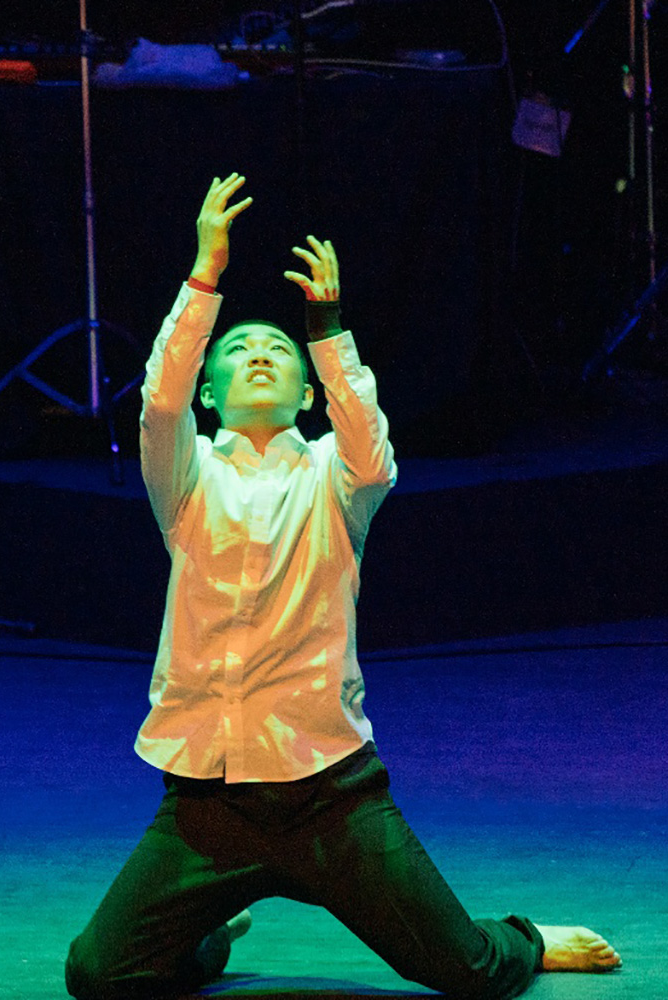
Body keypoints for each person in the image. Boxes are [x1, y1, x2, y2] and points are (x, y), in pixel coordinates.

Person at [65, 174, 622, 1000]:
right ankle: (208, 932)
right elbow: (159, 404)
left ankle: (528, 938)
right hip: (208, 807)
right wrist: (205, 276)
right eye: (238, 352)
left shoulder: (334, 477)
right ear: (210, 394)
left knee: (470, 970)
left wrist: (325, 330)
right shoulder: (186, 481)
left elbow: (369, 448)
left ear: (307, 393)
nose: (261, 354)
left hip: (330, 798)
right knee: (98, 973)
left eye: (278, 350)